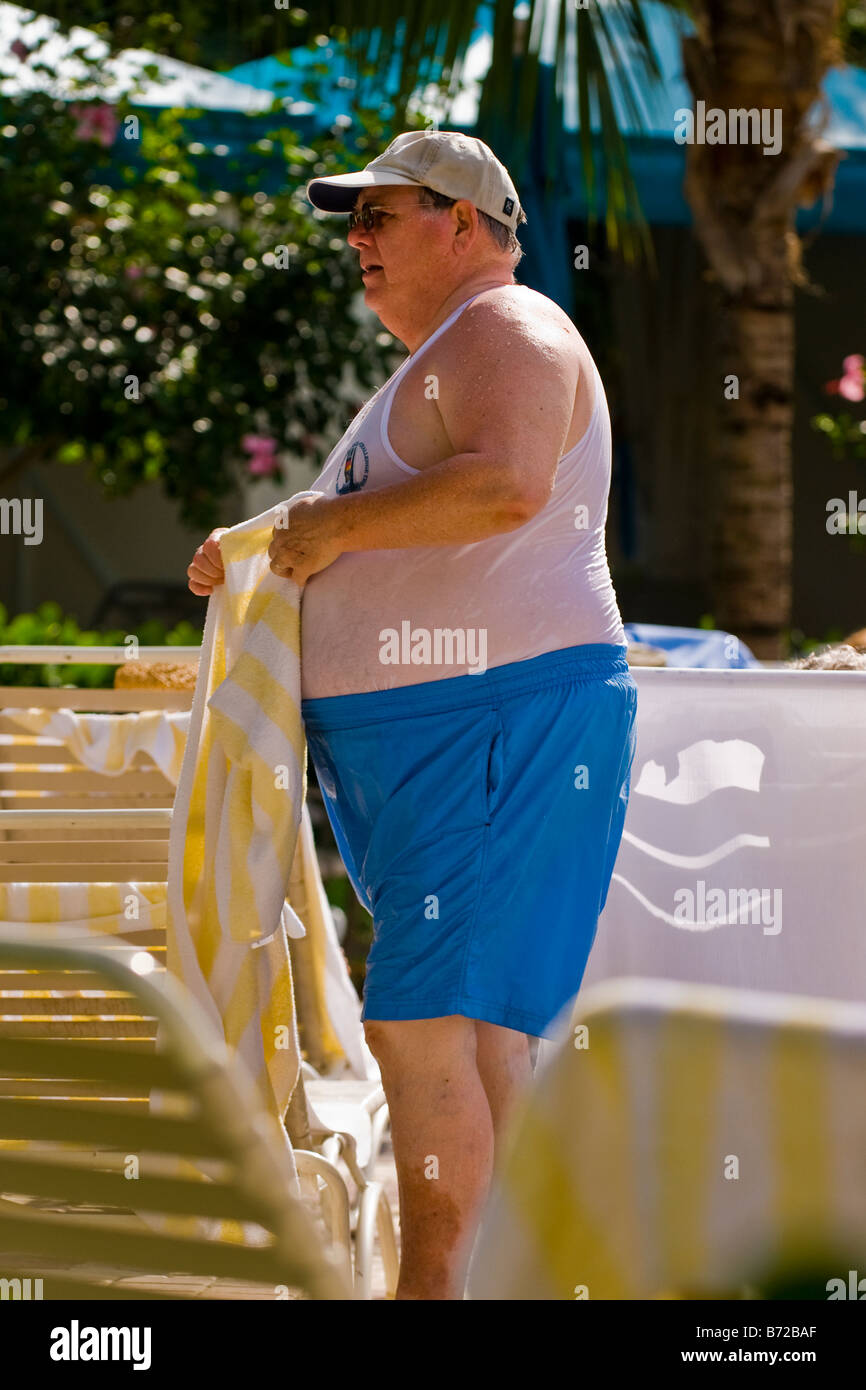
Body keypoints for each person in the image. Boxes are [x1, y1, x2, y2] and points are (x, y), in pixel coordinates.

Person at [187, 129, 637, 1300]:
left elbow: (505, 483)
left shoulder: (507, 324)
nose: (356, 239)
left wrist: (324, 533)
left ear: (463, 223)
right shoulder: (445, 353)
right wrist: (257, 548)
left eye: (380, 215)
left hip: (488, 728)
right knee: (479, 1045)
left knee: (421, 1032)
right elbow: (402, 502)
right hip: (453, 741)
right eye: (353, 219)